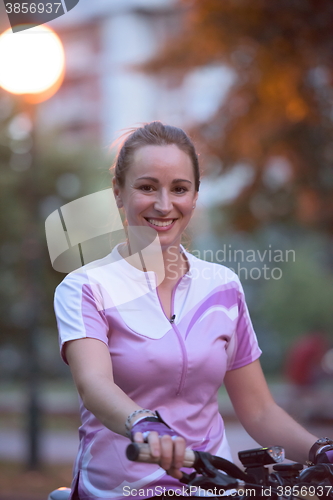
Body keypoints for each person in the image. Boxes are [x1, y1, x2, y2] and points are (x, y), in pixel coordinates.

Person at [54, 122, 331, 500]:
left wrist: (321, 450)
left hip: (213, 489)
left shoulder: (223, 286)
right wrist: (145, 425)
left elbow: (260, 411)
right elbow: (94, 384)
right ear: (118, 193)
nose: (164, 205)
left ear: (195, 196)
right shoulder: (85, 287)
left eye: (179, 189)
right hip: (117, 492)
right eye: (147, 187)